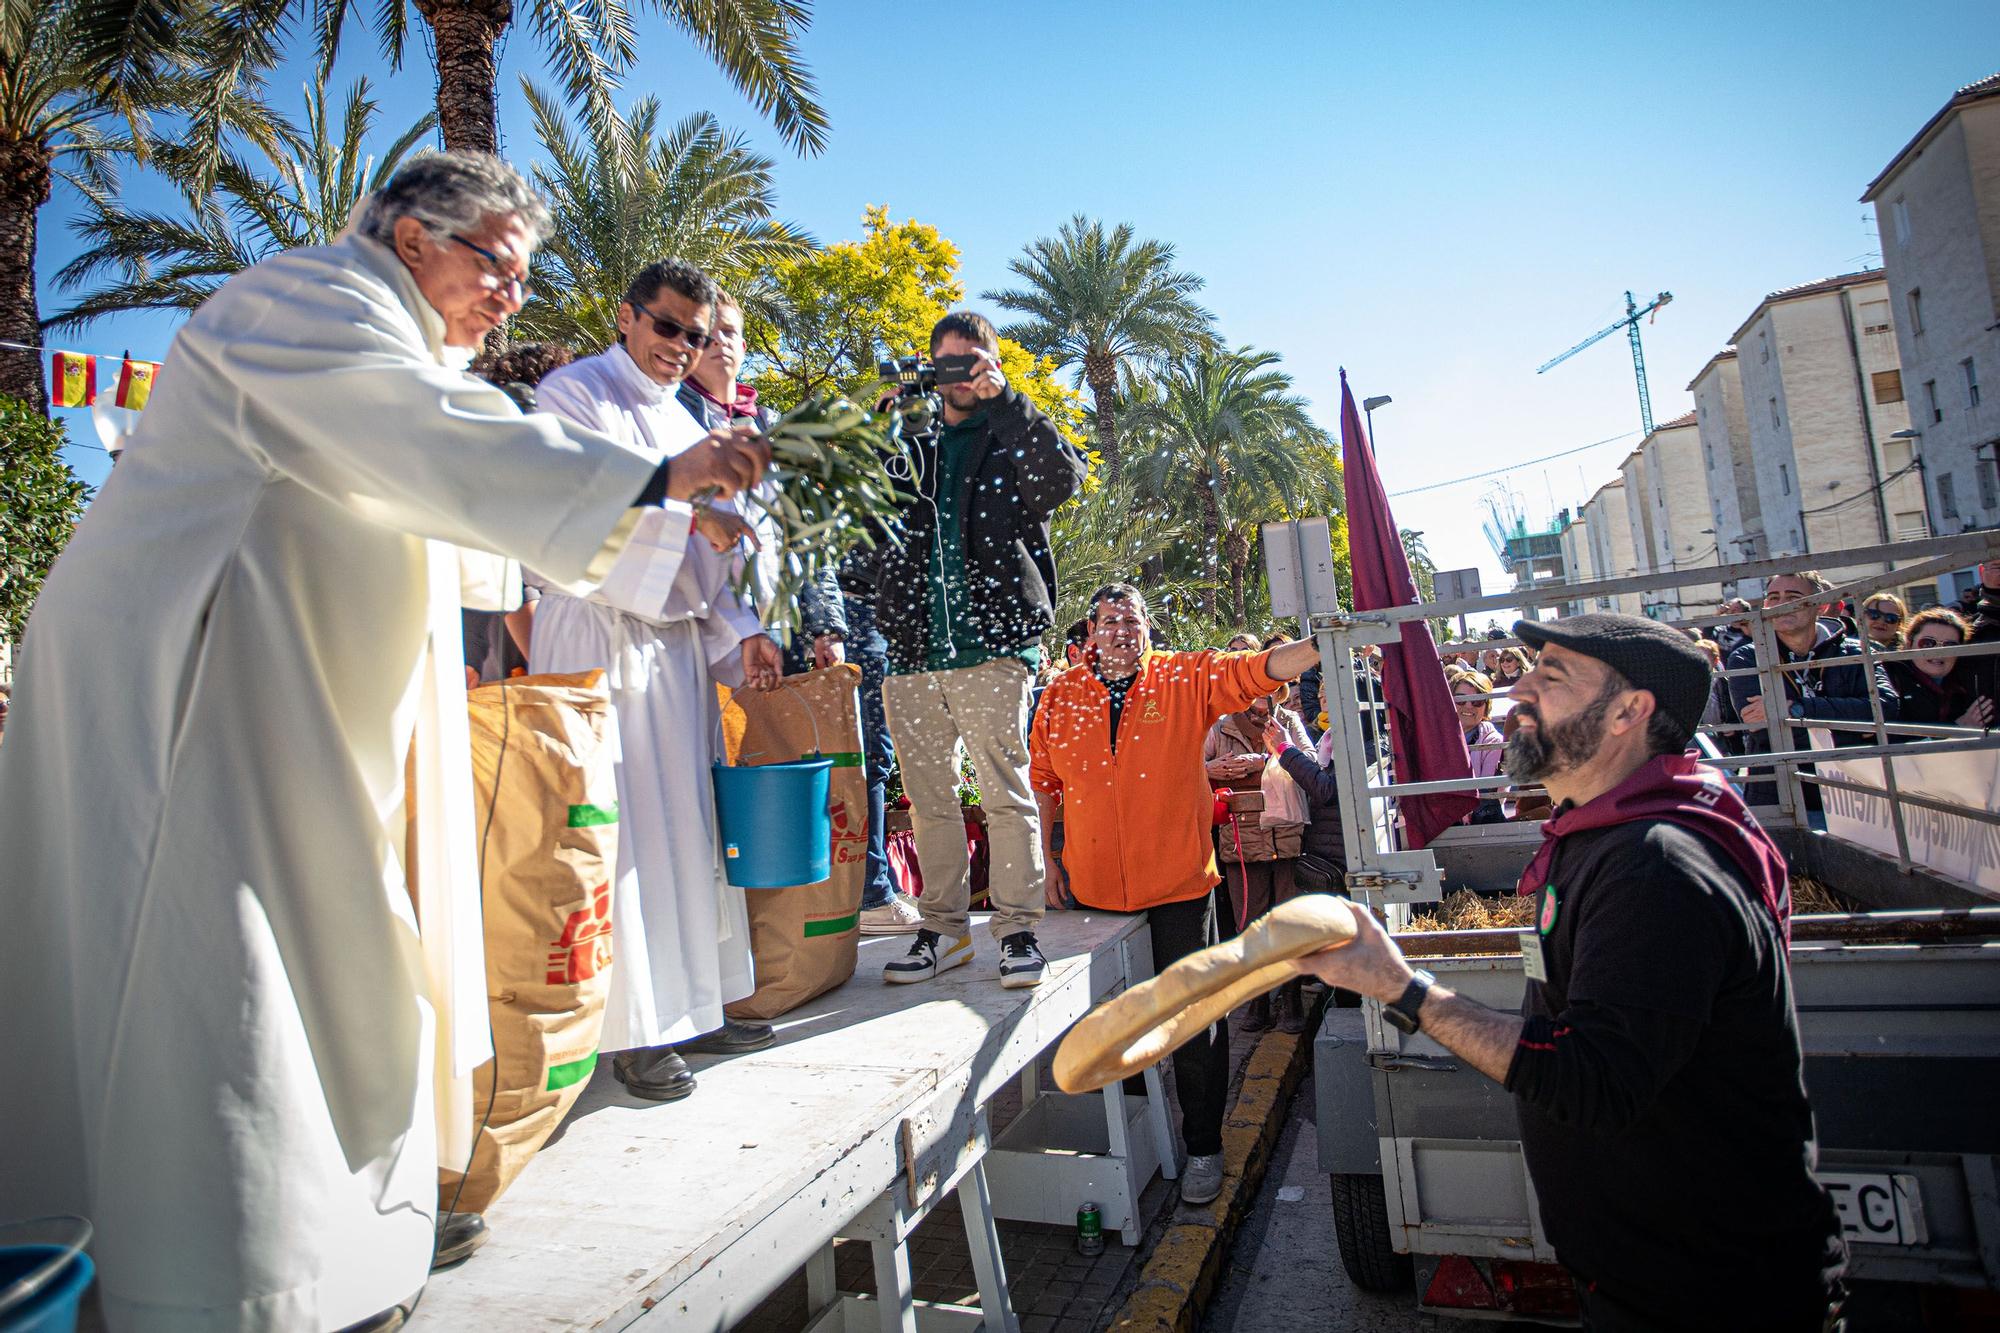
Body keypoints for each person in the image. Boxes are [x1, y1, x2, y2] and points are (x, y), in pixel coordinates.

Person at [0, 152, 776, 1332]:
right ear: (413, 238)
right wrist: (655, 475)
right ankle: (224, 1274)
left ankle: (339, 1237)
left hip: (301, 706)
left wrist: (660, 513)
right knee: (219, 957)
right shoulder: (309, 300)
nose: (511, 298)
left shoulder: (402, 349)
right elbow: (430, 438)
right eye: (497, 267)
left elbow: (463, 520)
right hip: (198, 688)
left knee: (335, 948)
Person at [1295, 613, 1846, 1330]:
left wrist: (1402, 989)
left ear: (1629, 710)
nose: (1516, 690)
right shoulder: (1607, 833)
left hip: (1713, 1295)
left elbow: (1592, 1075)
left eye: (1551, 675)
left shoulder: (1659, 865)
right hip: (1648, 1279)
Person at [529, 258, 787, 1102]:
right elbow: (570, 513)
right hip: (596, 638)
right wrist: (689, 513)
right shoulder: (574, 393)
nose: (683, 347)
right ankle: (633, 1030)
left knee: (688, 832)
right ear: (627, 317)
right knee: (625, 835)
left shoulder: (680, 419)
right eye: (669, 326)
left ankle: (694, 1003)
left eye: (698, 335)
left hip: (671, 651)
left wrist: (742, 629)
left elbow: (702, 562)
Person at [1030, 583, 1326, 1204]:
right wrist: (1047, 859)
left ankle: (1203, 1149)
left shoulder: (1181, 680)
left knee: (1195, 1022)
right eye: (1110, 620)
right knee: (1115, 1023)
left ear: (1148, 629)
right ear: (1089, 630)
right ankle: (1135, 1139)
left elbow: (1252, 671)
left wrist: (1319, 643)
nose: (1123, 630)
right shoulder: (1060, 696)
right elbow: (1045, 780)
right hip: (1092, 891)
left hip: (1179, 886)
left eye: (1134, 619)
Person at [873, 311, 1087, 989]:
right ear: (930, 369)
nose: (961, 375)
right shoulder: (916, 438)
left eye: (974, 362)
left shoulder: (1013, 431)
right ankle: (940, 929)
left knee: (1005, 790)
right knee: (928, 797)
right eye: (949, 363)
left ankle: (1018, 928)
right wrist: (880, 430)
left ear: (993, 365)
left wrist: (1008, 402)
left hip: (992, 645)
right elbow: (871, 513)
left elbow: (1061, 482)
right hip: (912, 647)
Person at [677, 288, 852, 679]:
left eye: (728, 332)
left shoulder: (775, 428)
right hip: (700, 626)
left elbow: (808, 533)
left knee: (785, 740)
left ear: (742, 345)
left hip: (778, 622)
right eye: (707, 332)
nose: (719, 341)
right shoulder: (668, 417)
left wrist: (826, 627)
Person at [1724, 570, 1898, 812]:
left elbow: (1884, 709)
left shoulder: (1857, 652)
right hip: (1779, 796)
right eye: (1773, 597)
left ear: (1822, 606)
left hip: (1855, 795)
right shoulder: (1748, 656)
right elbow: (1767, 732)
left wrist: (1796, 709)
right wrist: (1854, 731)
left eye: (1793, 597)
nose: (1782, 605)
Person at [1203, 691, 1309, 1031]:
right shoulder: (1220, 728)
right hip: (1241, 837)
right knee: (1249, 921)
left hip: (1284, 834)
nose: (1262, 705)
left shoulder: (1287, 720)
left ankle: (1291, 998)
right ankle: (1258, 1001)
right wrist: (1210, 768)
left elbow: (1309, 760)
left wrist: (1266, 758)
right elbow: (1188, 766)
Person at [1886, 607, 1994, 731]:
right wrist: (1957, 729)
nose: (1938, 652)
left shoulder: (1965, 683)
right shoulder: (1890, 677)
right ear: (1909, 644)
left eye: (1950, 645)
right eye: (1927, 643)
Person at [1448, 668, 1507, 823]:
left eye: (1477, 701)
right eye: (1460, 699)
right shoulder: (1438, 737)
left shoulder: (1493, 741)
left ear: (1486, 706)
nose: (1468, 706)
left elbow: (1485, 794)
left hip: (1477, 822)